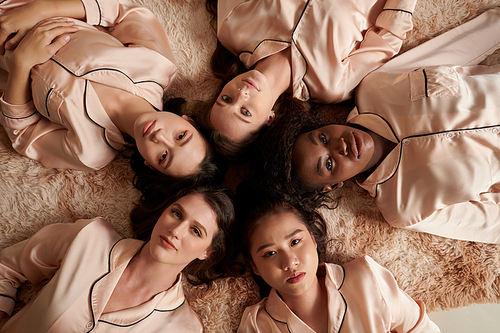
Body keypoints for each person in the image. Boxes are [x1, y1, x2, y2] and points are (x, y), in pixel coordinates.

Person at [0, 0, 217, 183]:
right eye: (181, 136)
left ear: (150, 166)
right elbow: (121, 10)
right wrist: (38, 10)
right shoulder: (158, 67)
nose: (159, 137)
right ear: (189, 120)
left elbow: (23, 133)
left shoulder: (89, 152)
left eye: (163, 157)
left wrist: (22, 62)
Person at [169, 0, 418, 158]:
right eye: (245, 112)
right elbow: (389, 34)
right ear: (269, 120)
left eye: (226, 98)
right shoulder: (333, 86)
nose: (241, 93)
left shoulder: (232, 26)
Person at [0, 185, 236, 332]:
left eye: (196, 231)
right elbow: (6, 267)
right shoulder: (90, 239)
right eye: (176, 213)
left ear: (207, 252)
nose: (177, 230)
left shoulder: (183, 328)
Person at [234, 189, 440, 332]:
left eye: (295, 241)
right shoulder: (257, 325)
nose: (289, 262)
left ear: (313, 240)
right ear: (255, 267)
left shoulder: (366, 278)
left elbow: (420, 328)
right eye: (270, 253)